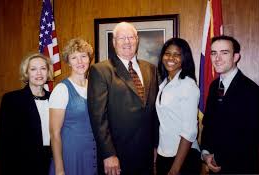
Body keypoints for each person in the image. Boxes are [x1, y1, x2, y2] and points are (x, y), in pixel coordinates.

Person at [88, 22, 158, 175]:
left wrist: (154, 146)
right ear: (114, 42)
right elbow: (98, 117)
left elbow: (153, 113)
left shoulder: (151, 69)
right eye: (122, 38)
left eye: (131, 37)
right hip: (117, 157)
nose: (127, 42)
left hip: (145, 155)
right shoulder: (101, 70)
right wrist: (108, 154)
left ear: (137, 40)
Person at [201, 35, 259, 174]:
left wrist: (219, 158)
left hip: (240, 167)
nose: (217, 58)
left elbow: (254, 137)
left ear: (236, 57)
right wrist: (206, 153)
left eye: (224, 53)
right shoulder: (214, 86)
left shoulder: (253, 92)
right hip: (213, 166)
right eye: (214, 53)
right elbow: (209, 124)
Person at [0, 53, 53, 175]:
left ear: (48, 72)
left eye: (43, 68)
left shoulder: (54, 99)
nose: (39, 73)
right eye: (33, 69)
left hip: (51, 163)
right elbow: (4, 143)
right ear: (26, 73)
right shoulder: (12, 99)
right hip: (22, 165)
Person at [49, 38, 97, 175]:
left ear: (89, 59)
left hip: (92, 155)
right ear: (68, 62)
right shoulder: (61, 89)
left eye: (83, 56)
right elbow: (54, 133)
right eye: (74, 58)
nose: (80, 62)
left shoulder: (95, 86)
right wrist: (59, 170)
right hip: (70, 157)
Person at [155, 38, 201, 175]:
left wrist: (175, 168)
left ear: (184, 58)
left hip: (183, 158)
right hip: (164, 153)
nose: (171, 58)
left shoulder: (187, 85)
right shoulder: (164, 83)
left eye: (177, 54)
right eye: (167, 53)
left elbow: (190, 131)